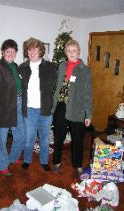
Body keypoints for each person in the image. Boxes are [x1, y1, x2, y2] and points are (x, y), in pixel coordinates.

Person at [52, 39, 92, 174]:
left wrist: (88, 114)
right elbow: (57, 88)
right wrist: (53, 106)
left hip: (77, 108)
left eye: (74, 50)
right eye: (69, 50)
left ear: (79, 52)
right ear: (66, 52)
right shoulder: (62, 66)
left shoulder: (84, 70)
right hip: (61, 105)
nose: (72, 53)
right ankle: (56, 162)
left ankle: (77, 163)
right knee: (59, 136)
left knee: (77, 139)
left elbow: (88, 93)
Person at [0, 39, 25, 176]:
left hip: (18, 106)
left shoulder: (16, 66)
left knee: (21, 136)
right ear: (2, 52)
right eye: (7, 51)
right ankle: (3, 165)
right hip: (2, 110)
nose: (10, 53)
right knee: (1, 140)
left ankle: (13, 157)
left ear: (16, 53)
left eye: (13, 51)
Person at [19, 37, 57, 171]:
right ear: (27, 52)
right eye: (29, 49)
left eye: (35, 49)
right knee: (29, 137)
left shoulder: (50, 67)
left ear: (40, 51)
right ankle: (27, 159)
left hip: (45, 108)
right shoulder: (22, 68)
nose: (32, 52)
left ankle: (44, 161)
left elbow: (55, 87)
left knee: (45, 138)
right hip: (29, 109)